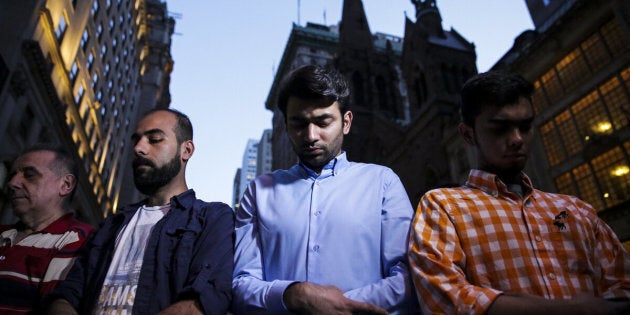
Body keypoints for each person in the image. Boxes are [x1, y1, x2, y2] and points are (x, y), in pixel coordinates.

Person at [408, 71, 630, 315]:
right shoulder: (442, 206)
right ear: (468, 134)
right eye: (500, 129)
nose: (517, 139)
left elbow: (623, 284)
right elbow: (444, 298)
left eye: (525, 127)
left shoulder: (576, 209)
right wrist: (575, 309)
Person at [232, 65, 416, 315]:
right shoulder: (259, 191)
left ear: (346, 122)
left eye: (323, 121)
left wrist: (334, 306)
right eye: (298, 123)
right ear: (286, 126)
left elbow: (408, 276)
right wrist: (294, 295)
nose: (310, 135)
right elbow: (240, 285)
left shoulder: (382, 182)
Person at [45, 109, 234, 314]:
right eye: (136, 141)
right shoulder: (112, 224)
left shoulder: (212, 218)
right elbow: (67, 294)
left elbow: (205, 299)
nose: (138, 148)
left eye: (154, 139)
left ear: (186, 150)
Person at [0, 144, 94, 314]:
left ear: (65, 184)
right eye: (12, 174)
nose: (12, 183)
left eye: (29, 175)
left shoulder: (83, 240)